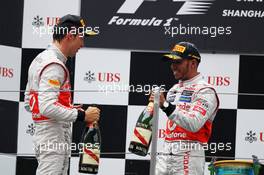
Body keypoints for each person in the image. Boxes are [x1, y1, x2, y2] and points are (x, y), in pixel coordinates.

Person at [24, 14, 100, 175]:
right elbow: (46, 106)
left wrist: (66, 107)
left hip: (48, 133)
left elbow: (29, 102)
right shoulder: (54, 65)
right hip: (53, 136)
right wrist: (81, 115)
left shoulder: (40, 59)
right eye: (82, 37)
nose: (83, 44)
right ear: (70, 35)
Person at [150, 42, 219, 175]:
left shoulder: (205, 90)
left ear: (193, 63)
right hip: (166, 152)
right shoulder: (174, 90)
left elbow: (194, 123)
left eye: (178, 62)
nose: (173, 66)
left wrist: (165, 105)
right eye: (171, 62)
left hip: (189, 153)